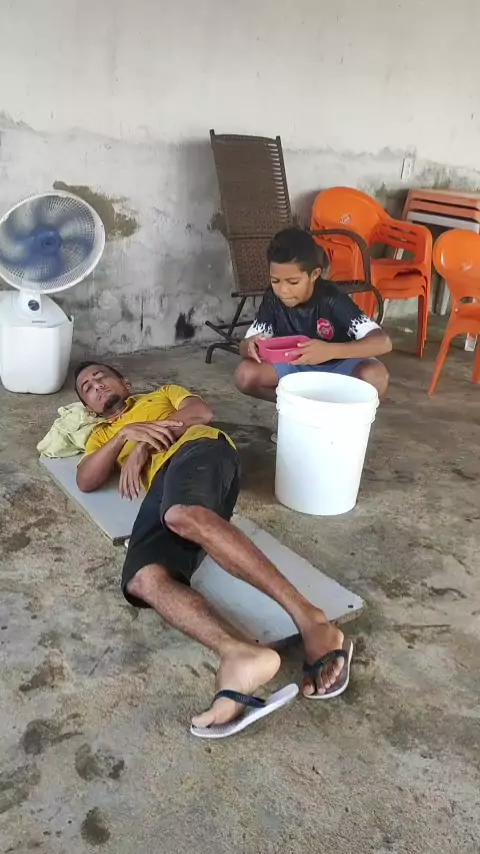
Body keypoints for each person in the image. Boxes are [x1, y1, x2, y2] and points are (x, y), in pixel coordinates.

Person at [75, 361, 351, 730]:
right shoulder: (102, 436)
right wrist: (126, 436)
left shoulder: (162, 395)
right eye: (87, 388)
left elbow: (200, 412)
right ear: (89, 408)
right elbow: (86, 479)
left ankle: (311, 620)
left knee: (182, 514)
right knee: (143, 579)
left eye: (101, 377)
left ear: (124, 381)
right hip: (161, 485)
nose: (96, 385)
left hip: (198, 449)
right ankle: (240, 654)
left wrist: (146, 440)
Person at [235, 227, 392, 407]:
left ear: (315, 274)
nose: (283, 290)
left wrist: (330, 351)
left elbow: (383, 343)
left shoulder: (331, 298)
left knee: (375, 377)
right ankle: (299, 407)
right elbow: (246, 345)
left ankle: (333, 410)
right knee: (245, 375)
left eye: (293, 282)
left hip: (339, 366)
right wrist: (249, 346)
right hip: (295, 366)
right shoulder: (272, 297)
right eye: (275, 281)